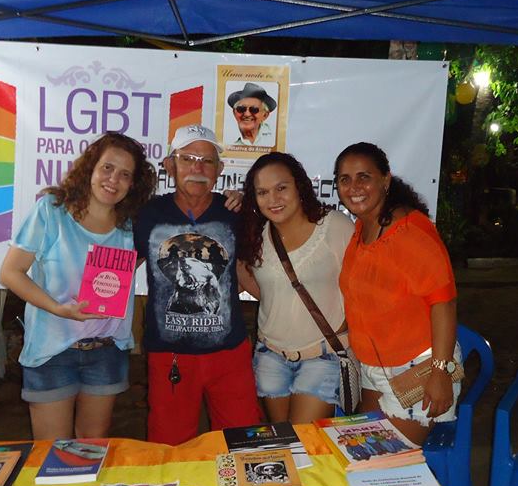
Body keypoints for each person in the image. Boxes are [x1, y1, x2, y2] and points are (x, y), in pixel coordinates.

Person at [0, 132, 156, 440]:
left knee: (91, 450)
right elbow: (10, 273)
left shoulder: (132, 226)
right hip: (52, 352)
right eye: (107, 167)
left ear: (133, 184)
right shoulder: (52, 211)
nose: (114, 179)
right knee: (52, 452)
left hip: (106, 351)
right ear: (90, 168)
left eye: (125, 174)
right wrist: (58, 308)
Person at [135, 124, 263, 445]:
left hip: (230, 353)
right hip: (170, 355)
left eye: (207, 161)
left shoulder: (235, 212)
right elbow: (119, 267)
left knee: (242, 442)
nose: (198, 168)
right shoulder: (148, 214)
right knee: (170, 447)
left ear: (220, 169)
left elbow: (251, 269)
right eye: (188, 158)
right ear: (170, 165)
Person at [334, 142, 460, 446]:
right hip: (373, 369)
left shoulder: (409, 232)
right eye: (345, 179)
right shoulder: (362, 229)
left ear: (385, 180)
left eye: (364, 177)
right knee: (359, 452)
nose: (354, 187)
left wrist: (440, 373)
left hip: (418, 369)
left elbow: (444, 303)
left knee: (381, 460)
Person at [237, 152, 354, 423]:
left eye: (281, 188)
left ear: (299, 186)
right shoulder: (256, 235)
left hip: (322, 357)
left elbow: (360, 288)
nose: (273, 199)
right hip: (270, 357)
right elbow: (252, 281)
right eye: (262, 192)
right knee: (283, 440)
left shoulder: (335, 226)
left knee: (304, 440)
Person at [227, 83, 276, 147]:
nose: (247, 114)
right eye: (241, 109)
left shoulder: (273, 138)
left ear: (265, 115)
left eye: (254, 109)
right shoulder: (228, 139)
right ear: (234, 112)